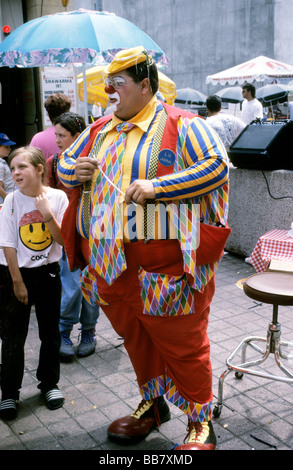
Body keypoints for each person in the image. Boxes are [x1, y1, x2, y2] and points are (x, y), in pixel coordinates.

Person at [58, 46, 230, 450]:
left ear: (145, 85)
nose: (109, 92)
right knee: (136, 339)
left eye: (117, 84)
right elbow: (64, 163)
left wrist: (159, 186)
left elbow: (217, 166)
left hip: (163, 264)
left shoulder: (183, 124)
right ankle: (153, 404)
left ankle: (201, 420)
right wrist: (74, 169)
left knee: (183, 344)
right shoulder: (98, 129)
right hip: (109, 265)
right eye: (107, 85)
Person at [0, 146, 68, 420]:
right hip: (14, 274)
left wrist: (47, 213)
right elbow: (7, 243)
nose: (15, 172)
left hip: (48, 272)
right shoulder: (11, 202)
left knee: (50, 332)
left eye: (22, 167)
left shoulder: (58, 197)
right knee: (13, 336)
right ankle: (9, 393)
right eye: (13, 168)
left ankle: (49, 384)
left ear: (40, 169)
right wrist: (17, 282)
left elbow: (64, 241)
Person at [46, 112, 100, 359]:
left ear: (78, 137)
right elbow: (46, 199)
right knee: (72, 287)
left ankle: (89, 331)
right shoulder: (53, 163)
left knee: (92, 286)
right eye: (55, 134)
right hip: (67, 235)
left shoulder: (96, 162)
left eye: (62, 135)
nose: (57, 139)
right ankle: (64, 331)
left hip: (94, 234)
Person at [30, 93, 71, 160]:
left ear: (48, 115)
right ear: (69, 112)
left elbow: (31, 162)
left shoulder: (37, 139)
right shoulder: (75, 136)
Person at [0, 133, 16, 204]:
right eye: (6, 147)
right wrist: (10, 202)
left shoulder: (3, 162)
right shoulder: (0, 165)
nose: (9, 149)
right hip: (6, 201)